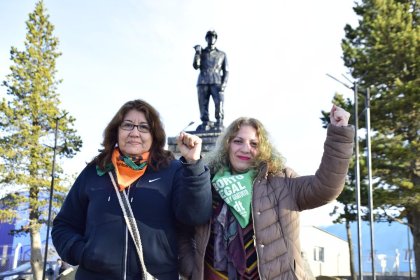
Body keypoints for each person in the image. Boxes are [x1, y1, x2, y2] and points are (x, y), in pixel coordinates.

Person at [178, 105, 354, 279]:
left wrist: (339, 135)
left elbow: (325, 188)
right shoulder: (207, 182)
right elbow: (183, 228)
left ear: (263, 149)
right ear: (227, 145)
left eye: (254, 143)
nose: (246, 149)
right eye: (238, 141)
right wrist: (191, 269)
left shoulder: (282, 181)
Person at [51, 99, 212, 280]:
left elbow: (196, 215)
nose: (135, 132)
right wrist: (83, 253)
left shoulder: (172, 170)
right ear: (116, 131)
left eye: (144, 127)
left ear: (154, 135)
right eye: (128, 125)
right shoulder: (95, 172)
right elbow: (63, 226)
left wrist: (193, 164)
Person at [193, 30, 229, 131]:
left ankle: (219, 122)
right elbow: (196, 65)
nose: (211, 38)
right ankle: (205, 122)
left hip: (217, 81)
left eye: (213, 37)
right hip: (203, 81)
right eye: (209, 36)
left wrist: (224, 84)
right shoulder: (201, 52)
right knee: (202, 103)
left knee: (219, 103)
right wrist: (197, 53)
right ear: (206, 38)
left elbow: (226, 71)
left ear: (216, 39)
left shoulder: (222, 54)